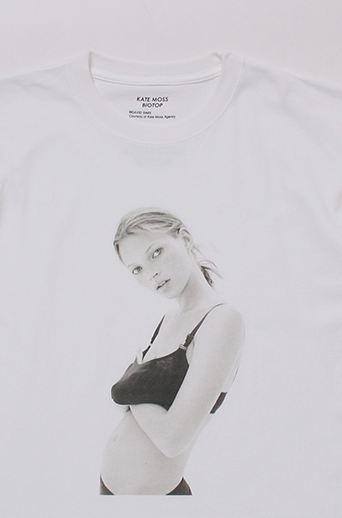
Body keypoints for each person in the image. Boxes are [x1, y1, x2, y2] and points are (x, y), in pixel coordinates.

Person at [100, 208, 245, 495]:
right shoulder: (168, 320)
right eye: (137, 269)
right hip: (112, 495)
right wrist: (131, 390)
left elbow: (172, 439)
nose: (151, 273)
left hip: (159, 504)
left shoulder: (221, 319)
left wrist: (129, 388)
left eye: (156, 253)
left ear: (185, 239)